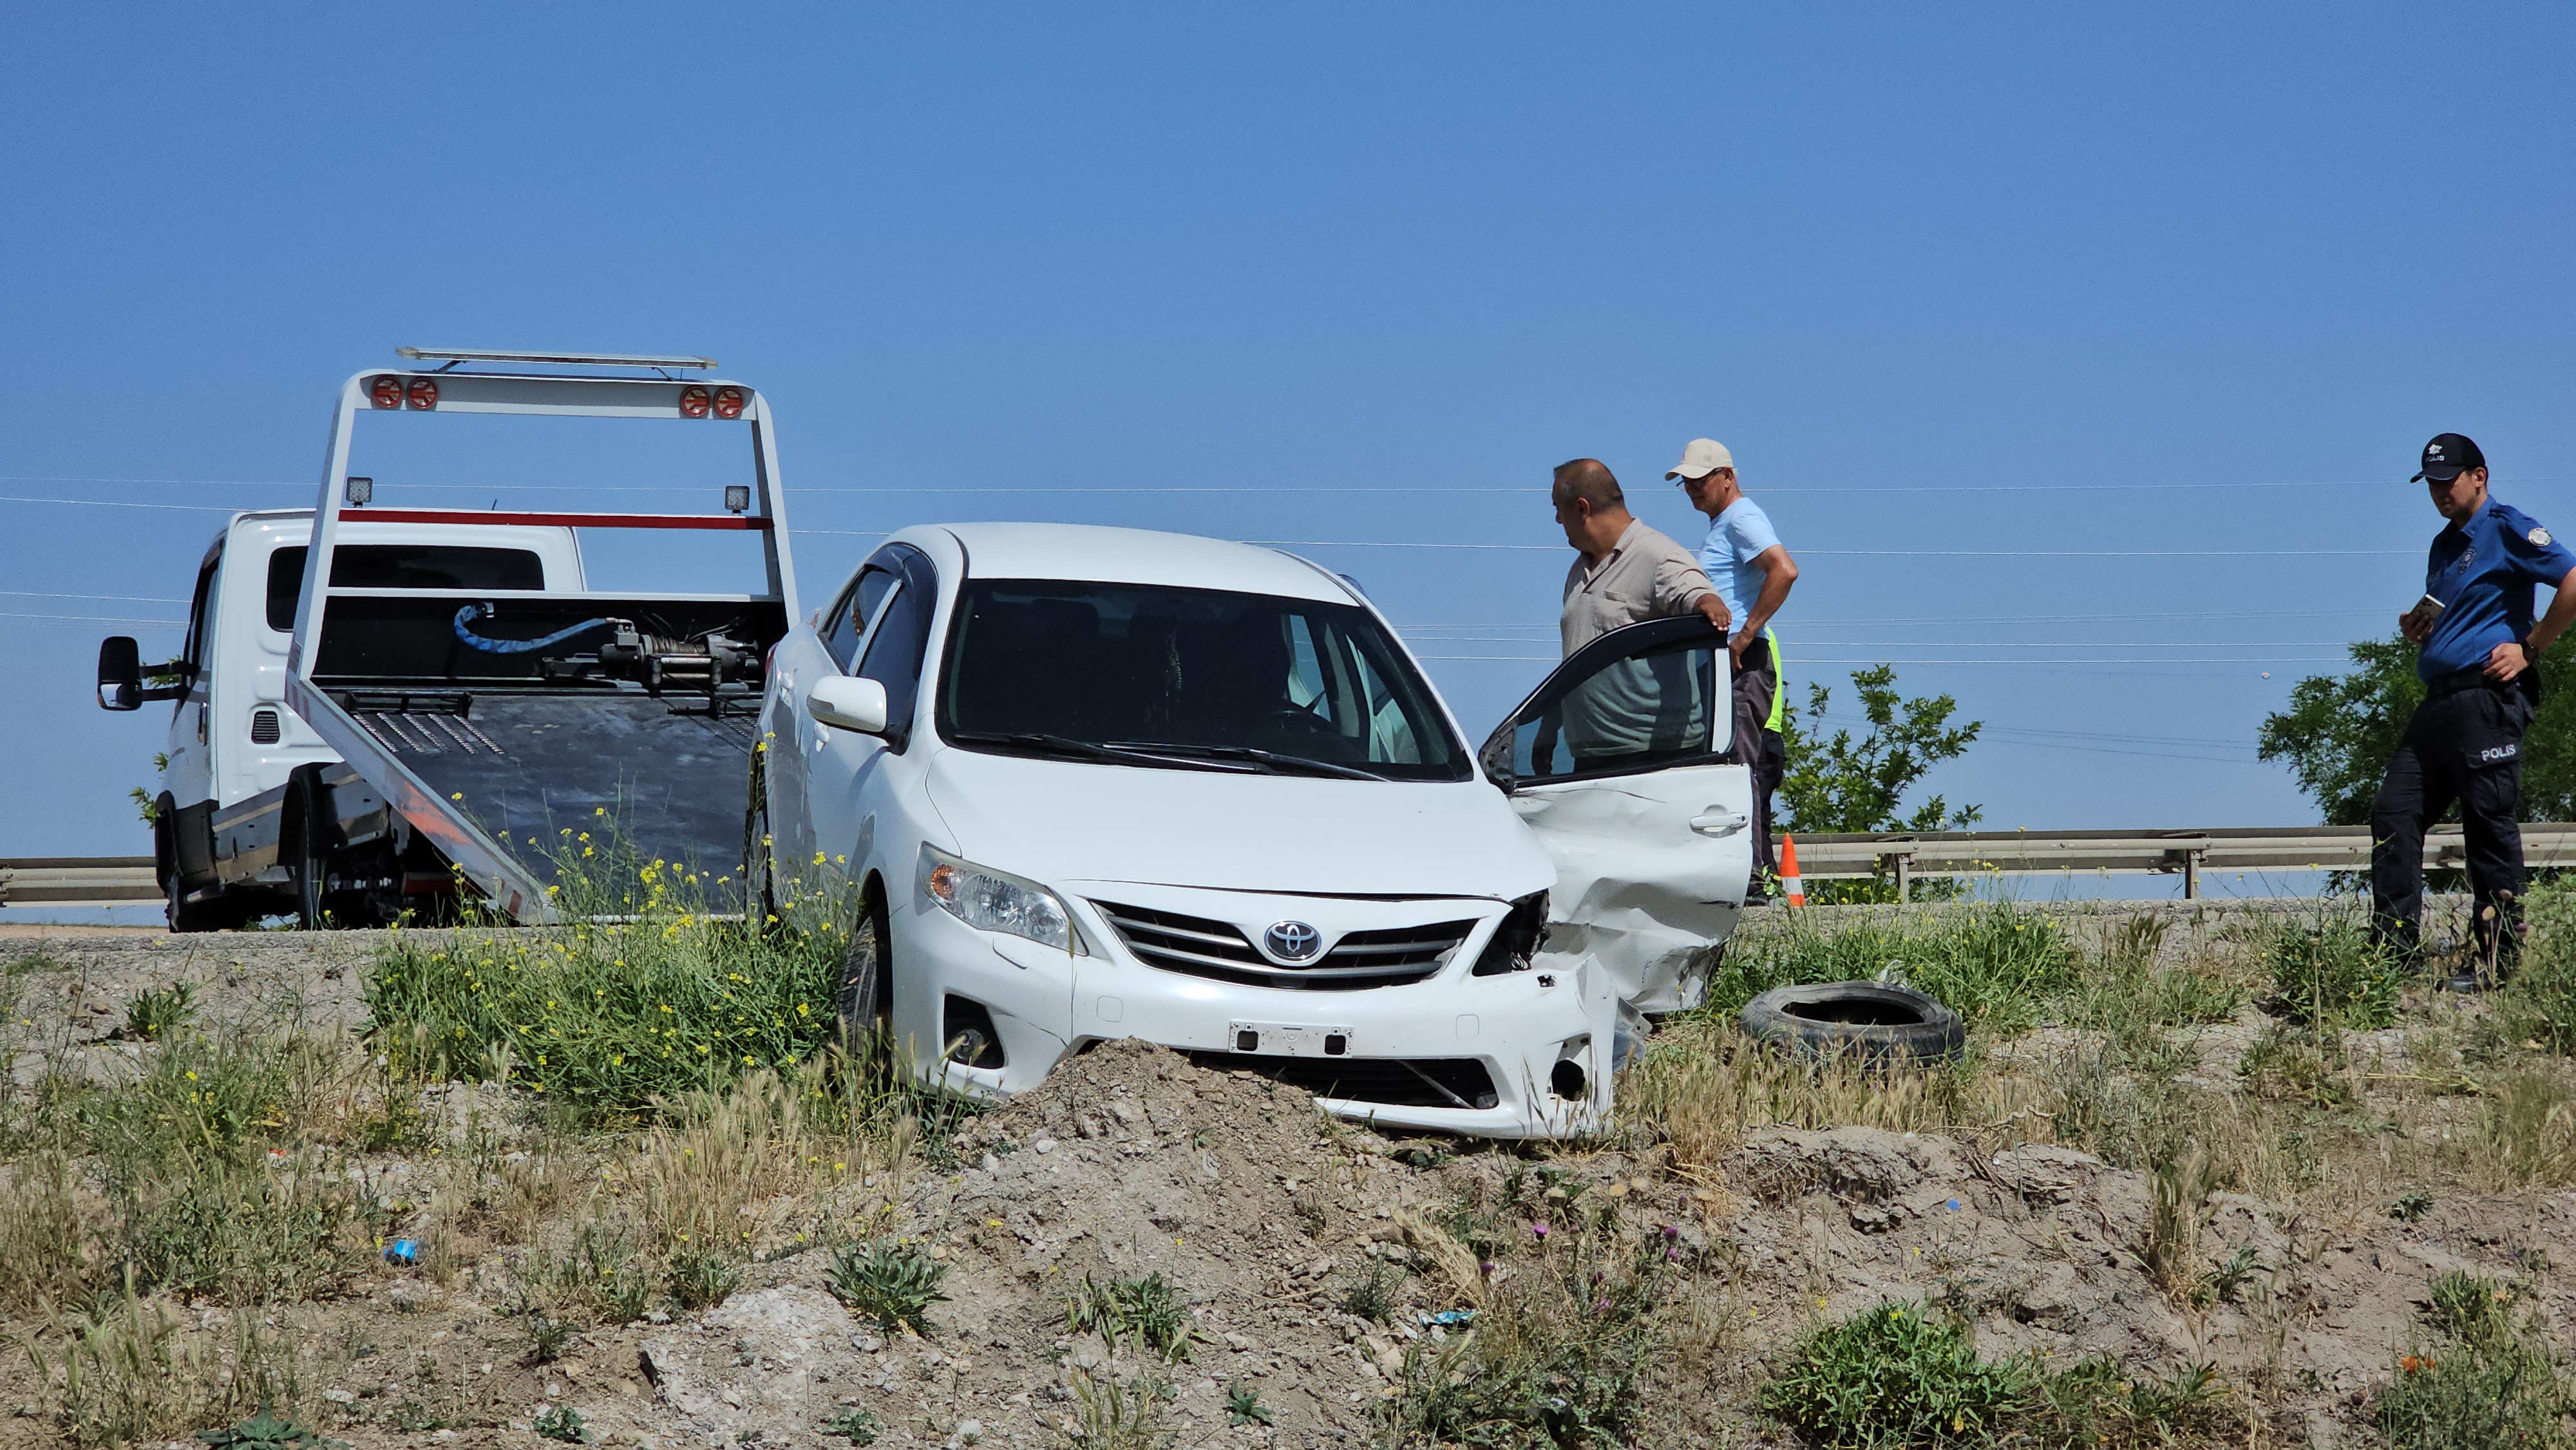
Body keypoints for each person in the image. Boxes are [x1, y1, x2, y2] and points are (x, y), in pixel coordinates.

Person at [2371, 433, 2576, 989]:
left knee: (2487, 824)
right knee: (2394, 815)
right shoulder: (2444, 545)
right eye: (2432, 483)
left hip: (2484, 698)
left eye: (2449, 480)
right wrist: (2421, 629)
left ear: (2479, 476)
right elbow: (2457, 615)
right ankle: (2391, 954)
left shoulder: (2507, 526)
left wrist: (2530, 647)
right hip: (2438, 702)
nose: (2440, 492)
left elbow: (2574, 578)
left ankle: (2495, 962)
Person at [1669, 438, 1799, 897]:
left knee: (1738, 766)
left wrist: (1743, 636)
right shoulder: (1725, 524)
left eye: (1701, 480)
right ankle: (1741, 875)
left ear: (1728, 477)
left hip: (1743, 663)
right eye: (1686, 483)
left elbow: (1783, 570)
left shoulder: (1742, 517)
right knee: (1730, 763)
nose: (1692, 490)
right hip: (1730, 666)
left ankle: (1748, 878)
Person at [1553, 457, 1727, 654]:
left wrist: (1708, 603)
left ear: (1582, 508)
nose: (1558, 519)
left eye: (1558, 508)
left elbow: (1695, 593)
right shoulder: (1578, 572)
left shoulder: (1657, 555)